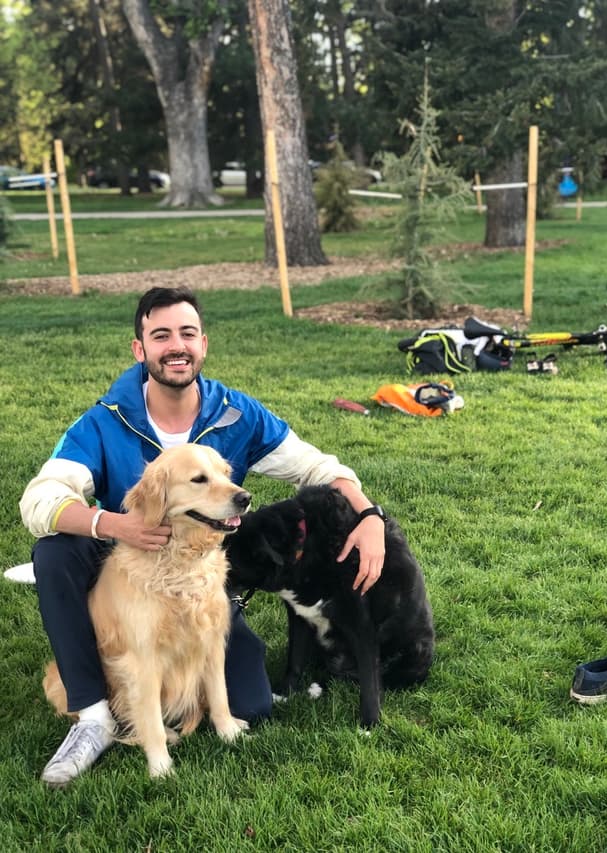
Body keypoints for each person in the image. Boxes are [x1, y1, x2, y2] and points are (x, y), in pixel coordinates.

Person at [20, 285, 387, 787]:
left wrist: (370, 516)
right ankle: (92, 714)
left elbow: (319, 468)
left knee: (252, 705)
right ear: (140, 349)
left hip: (201, 568)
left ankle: (185, 696)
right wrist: (113, 524)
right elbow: (39, 499)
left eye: (187, 333)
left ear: (203, 344)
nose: (177, 346)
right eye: (161, 335)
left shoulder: (235, 413)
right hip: (125, 560)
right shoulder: (104, 421)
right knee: (55, 551)